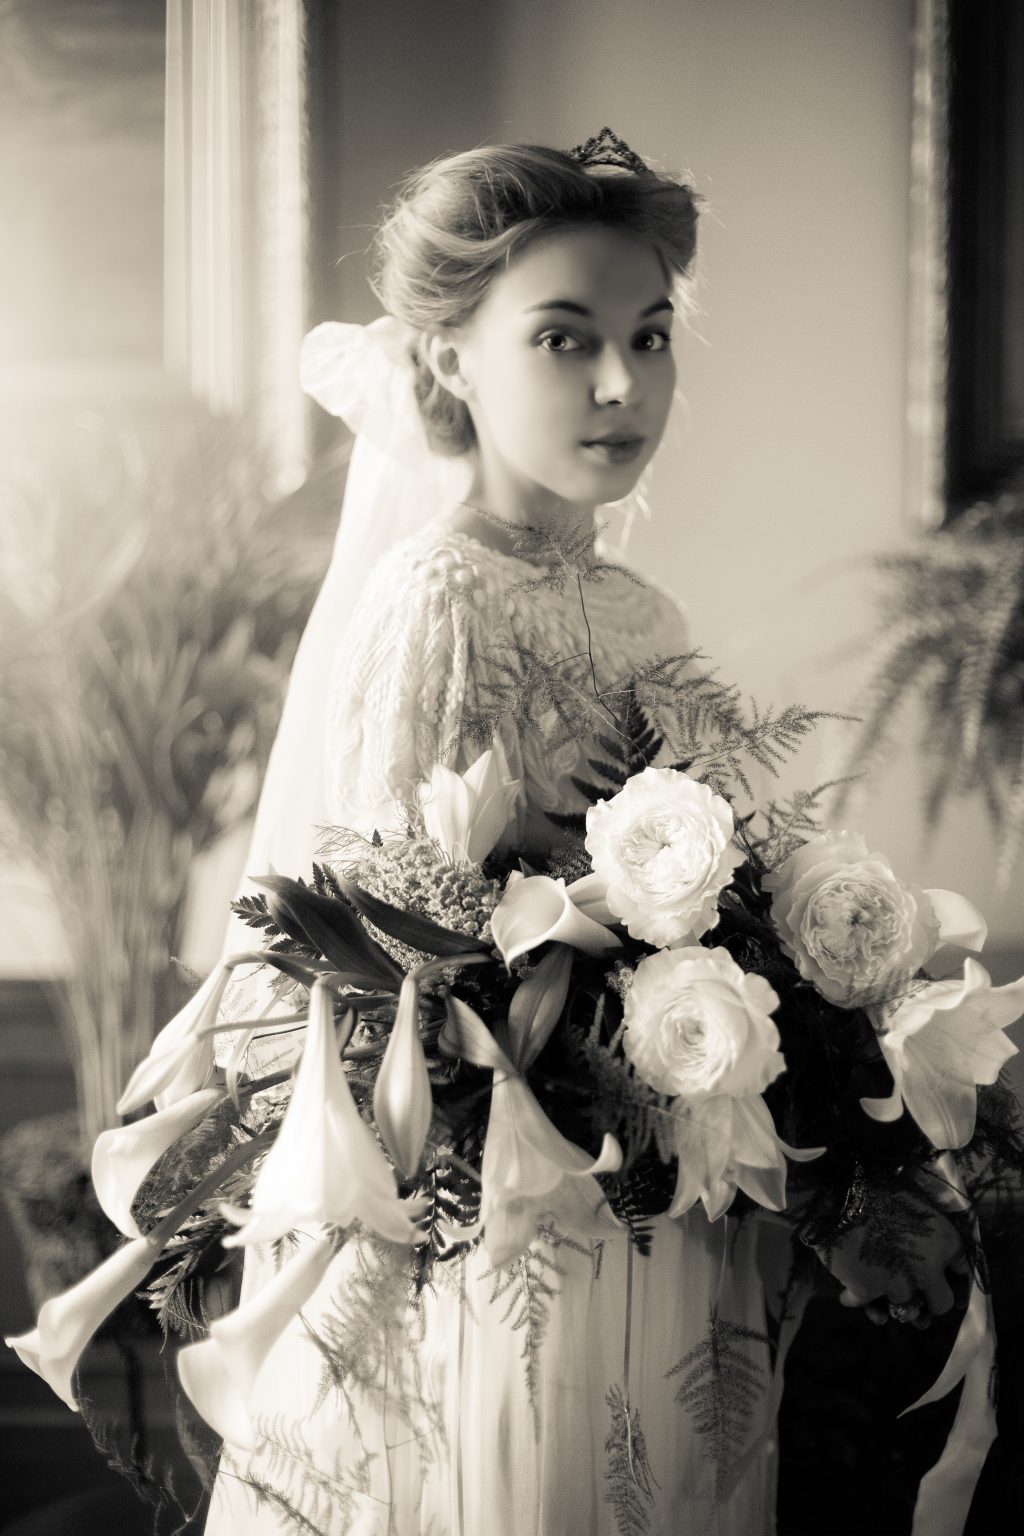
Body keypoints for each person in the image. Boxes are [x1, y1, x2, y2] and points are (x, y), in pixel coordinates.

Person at [202, 131, 973, 1536]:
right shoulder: (431, 597)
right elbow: (396, 956)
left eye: (649, 336)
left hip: (674, 1189)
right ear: (450, 361)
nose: (623, 384)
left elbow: (716, 880)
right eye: (565, 338)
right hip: (510, 1212)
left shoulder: (646, 616)